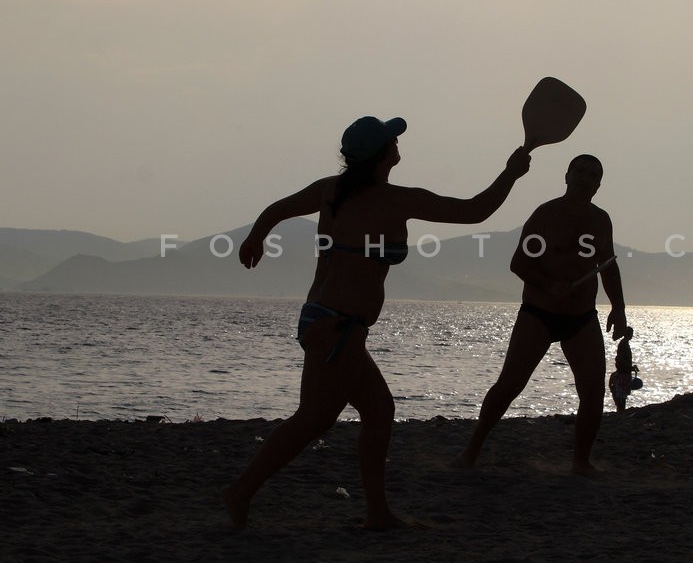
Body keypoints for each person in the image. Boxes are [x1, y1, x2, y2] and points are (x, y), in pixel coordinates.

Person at [222, 116, 530, 530]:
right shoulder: (394, 200)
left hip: (327, 321)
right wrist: (511, 173)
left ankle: (374, 512)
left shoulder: (329, 190)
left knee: (373, 412)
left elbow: (277, 210)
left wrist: (255, 237)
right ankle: (245, 491)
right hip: (338, 326)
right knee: (315, 418)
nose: (398, 143)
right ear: (383, 154)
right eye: (392, 140)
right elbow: (475, 211)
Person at [457, 154, 628, 475]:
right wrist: (550, 285)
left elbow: (608, 265)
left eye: (593, 174)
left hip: (582, 317)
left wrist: (619, 308)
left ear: (599, 184)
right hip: (539, 313)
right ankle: (472, 449)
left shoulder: (601, 220)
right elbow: (519, 263)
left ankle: (581, 462)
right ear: (567, 175)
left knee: (592, 393)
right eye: (580, 171)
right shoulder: (546, 215)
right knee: (509, 385)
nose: (585, 178)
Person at [608, 326, 642, 412]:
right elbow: (622, 360)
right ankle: (620, 411)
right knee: (621, 397)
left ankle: (620, 411)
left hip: (624, 372)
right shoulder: (624, 344)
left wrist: (631, 368)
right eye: (631, 334)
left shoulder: (624, 343)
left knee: (622, 396)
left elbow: (623, 360)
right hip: (623, 373)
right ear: (630, 334)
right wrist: (630, 368)